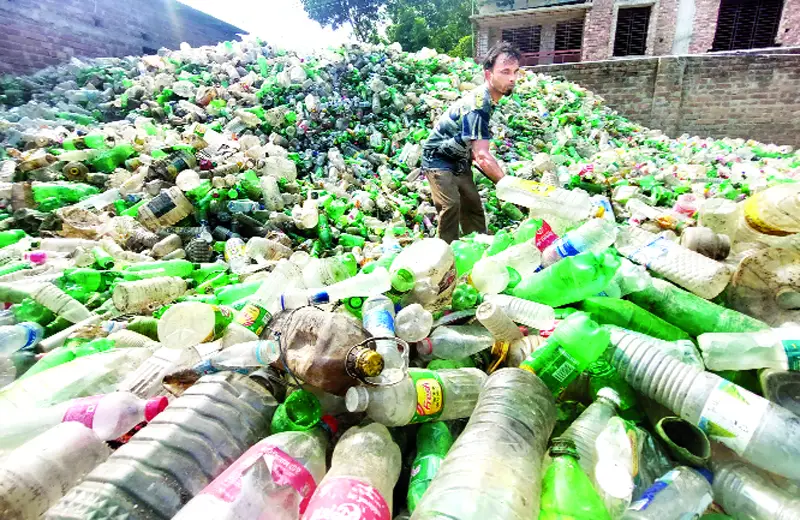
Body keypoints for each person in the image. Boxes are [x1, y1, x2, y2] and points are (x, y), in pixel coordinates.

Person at [421, 41, 522, 243]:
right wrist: (508, 186)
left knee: (473, 207)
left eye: (515, 71)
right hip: (438, 158)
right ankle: (445, 256)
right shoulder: (478, 104)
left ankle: (478, 248)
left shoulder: (489, 101)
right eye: (505, 72)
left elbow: (476, 153)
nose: (512, 78)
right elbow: (482, 156)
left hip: (459, 158)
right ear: (488, 74)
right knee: (450, 206)